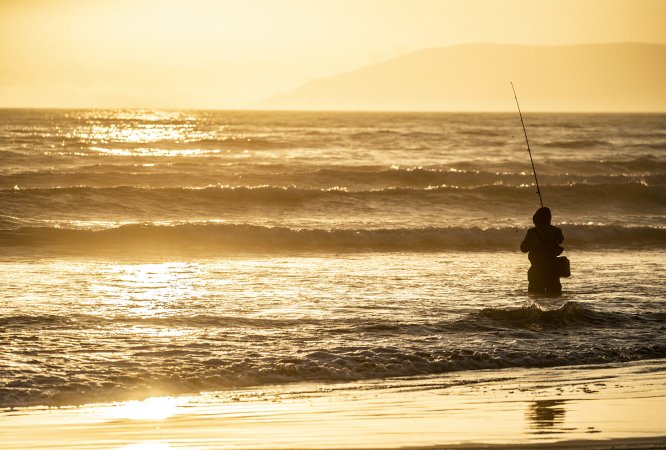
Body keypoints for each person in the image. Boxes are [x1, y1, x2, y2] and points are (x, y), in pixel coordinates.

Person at [520, 207, 564, 295]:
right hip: (553, 270)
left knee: (536, 296)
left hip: (537, 270)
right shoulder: (557, 231)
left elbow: (523, 248)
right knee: (554, 298)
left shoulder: (532, 232)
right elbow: (561, 240)